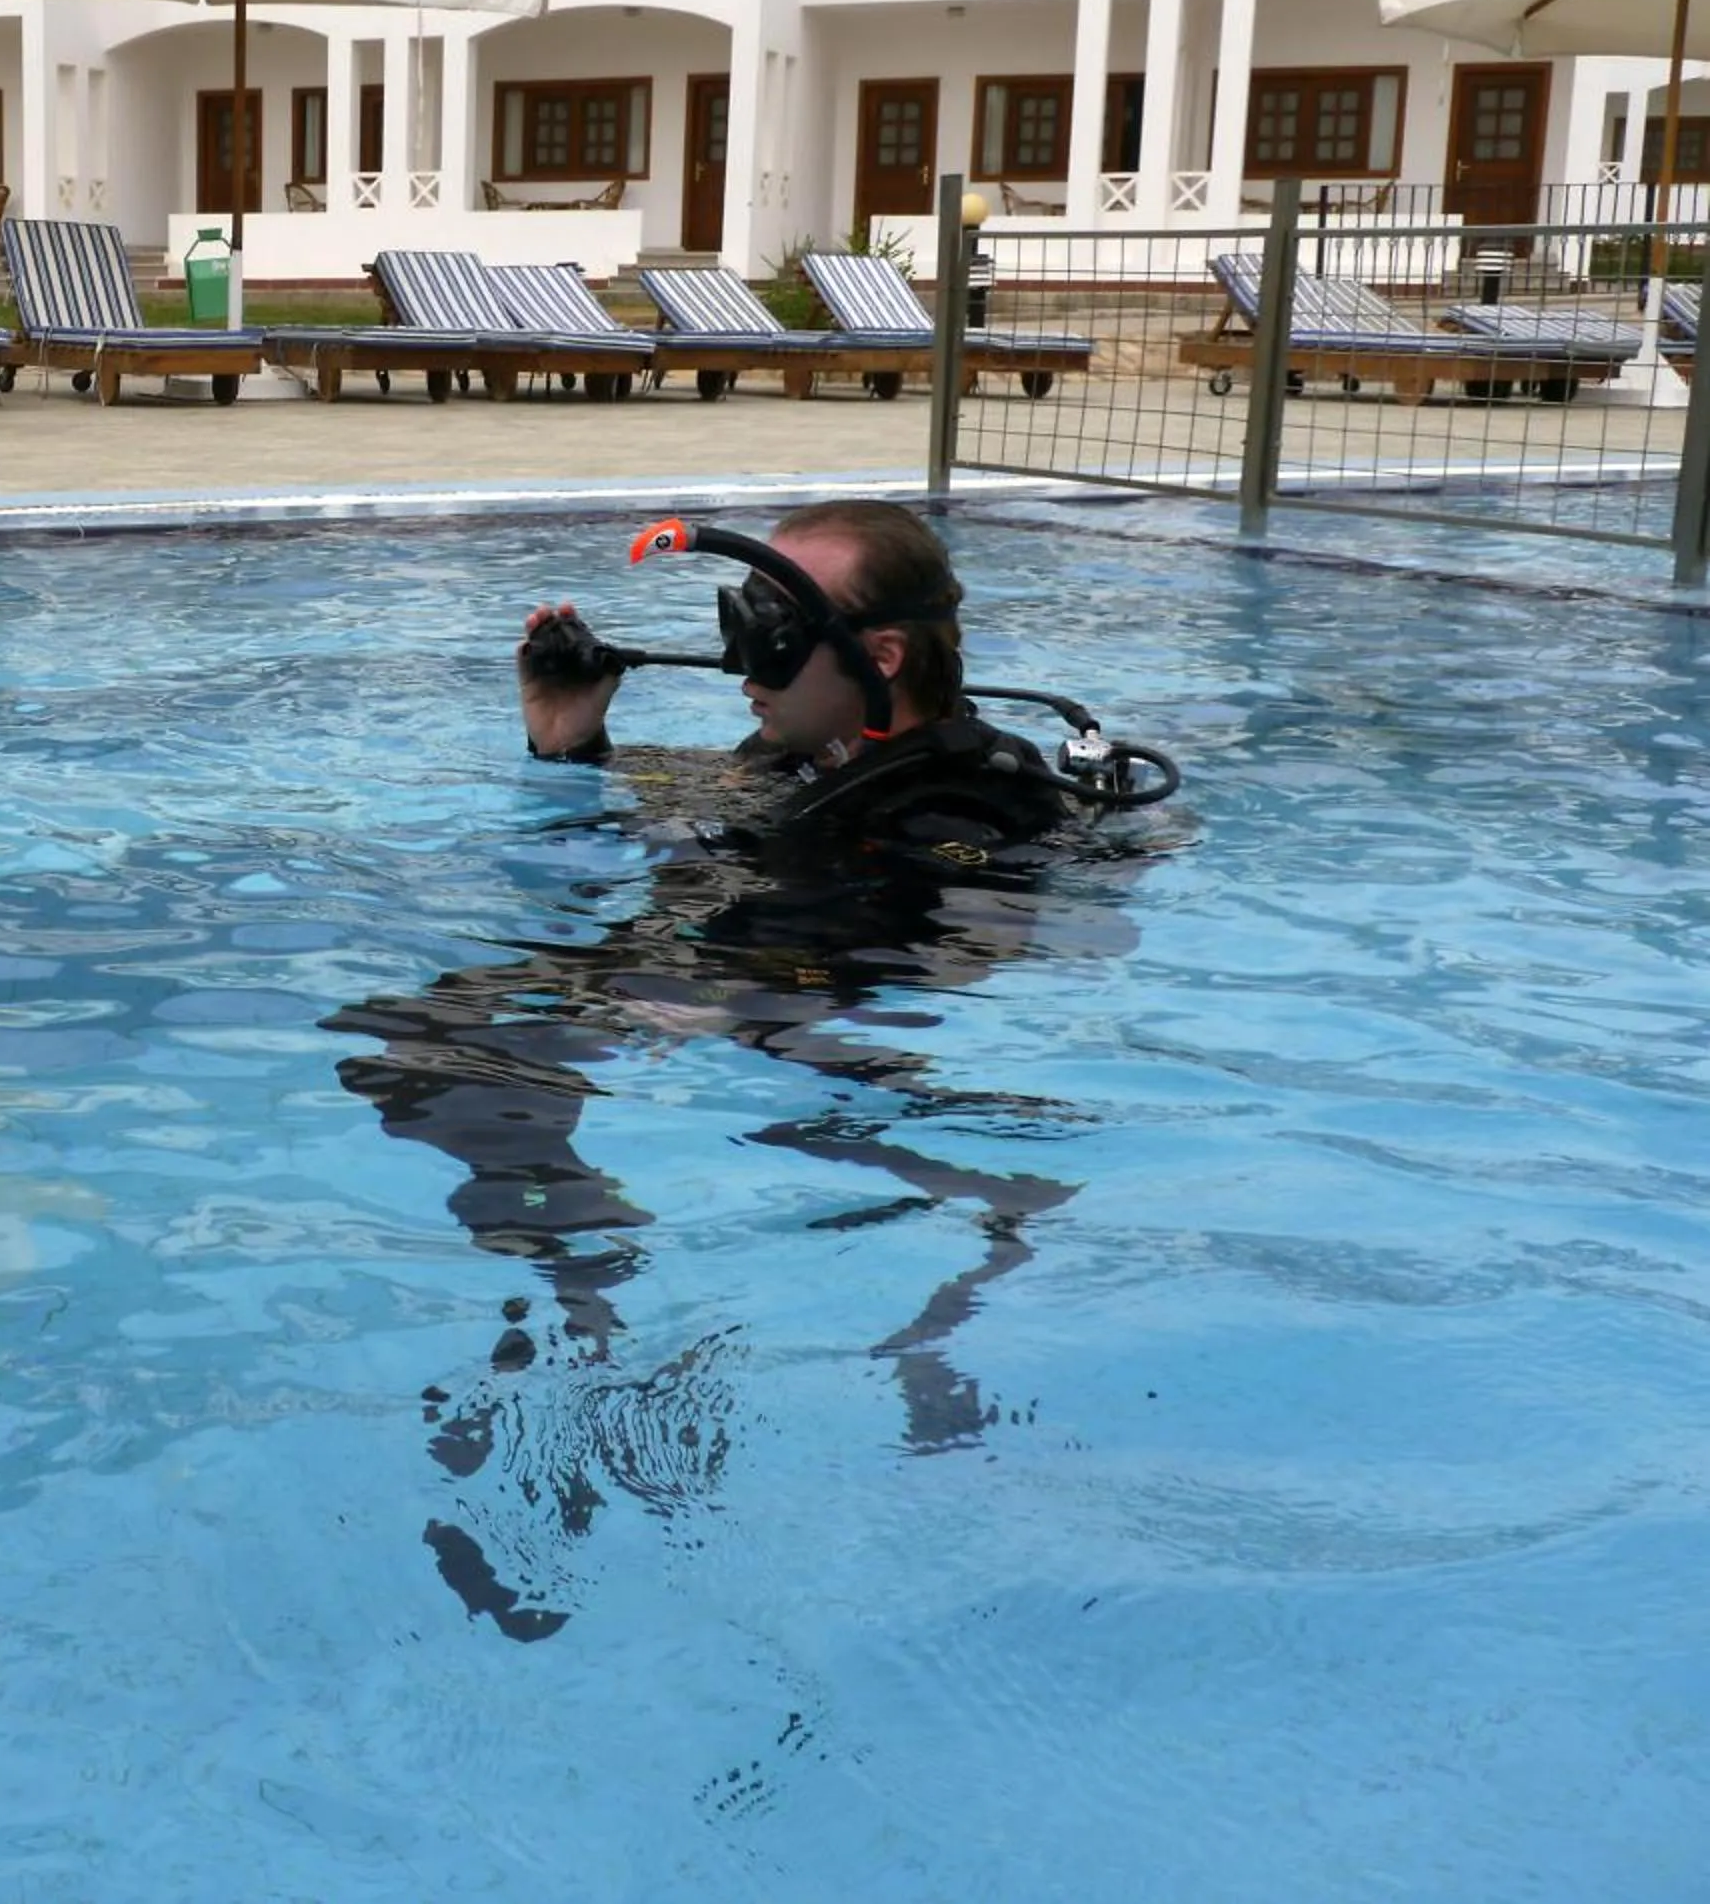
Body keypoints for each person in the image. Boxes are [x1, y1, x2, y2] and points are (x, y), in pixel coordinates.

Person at [324, 499, 1171, 1640]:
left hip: (825, 1060)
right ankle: (591, 1301)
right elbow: (686, 852)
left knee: (440, 1046)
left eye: (773, 633)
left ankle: (598, 1321)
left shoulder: (970, 802)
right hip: (727, 1021)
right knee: (407, 1040)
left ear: (880, 656)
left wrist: (732, 994)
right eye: (743, 622)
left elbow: (954, 947)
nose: (740, 667)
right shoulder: (802, 756)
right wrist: (572, 751)